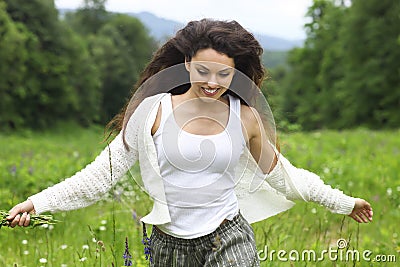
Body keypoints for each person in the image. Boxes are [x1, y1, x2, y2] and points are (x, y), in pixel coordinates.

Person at [7, 19, 373, 266]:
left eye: (224, 74)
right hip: (167, 248)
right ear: (185, 64)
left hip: (228, 237)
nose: (212, 82)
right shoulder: (152, 112)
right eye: (202, 71)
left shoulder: (244, 117)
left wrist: (342, 202)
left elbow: (285, 175)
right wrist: (37, 203)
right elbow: (99, 176)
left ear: (236, 73)